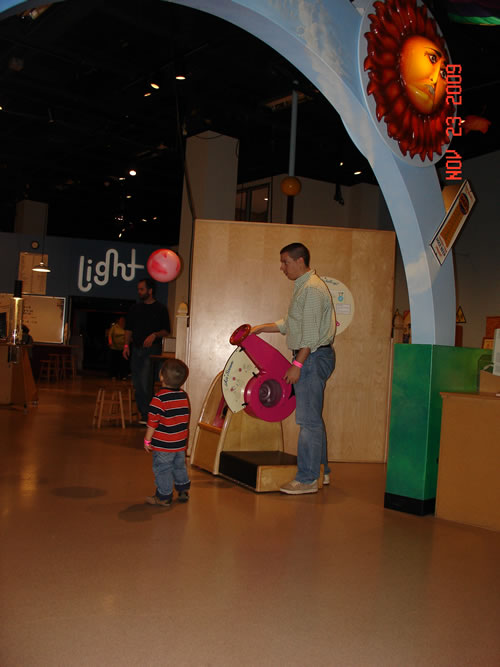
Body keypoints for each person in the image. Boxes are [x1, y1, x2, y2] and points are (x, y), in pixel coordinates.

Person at [251, 242, 336, 495]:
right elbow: (291, 322)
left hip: (311, 357)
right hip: (312, 356)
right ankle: (322, 471)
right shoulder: (303, 287)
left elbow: (309, 335)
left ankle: (307, 479)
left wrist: (297, 364)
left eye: (285, 262)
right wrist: (261, 328)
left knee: (308, 421)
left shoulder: (312, 289)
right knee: (313, 419)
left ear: (300, 261)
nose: (282, 267)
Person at [143, 358, 191, 507]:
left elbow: (152, 422)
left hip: (163, 445)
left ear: (161, 376)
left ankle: (163, 496)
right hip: (179, 443)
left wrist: (147, 440)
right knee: (179, 466)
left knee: (163, 469)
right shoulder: (183, 396)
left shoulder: (159, 399)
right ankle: (183, 490)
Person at [124, 278, 170, 424]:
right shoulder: (135, 308)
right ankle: (145, 413)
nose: (139, 292)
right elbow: (128, 329)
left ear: (150, 291)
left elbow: (166, 330)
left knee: (145, 383)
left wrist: (155, 334)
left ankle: (149, 415)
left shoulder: (160, 309)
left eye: (142, 289)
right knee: (137, 383)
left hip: (151, 350)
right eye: (138, 289)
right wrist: (126, 346)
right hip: (136, 348)